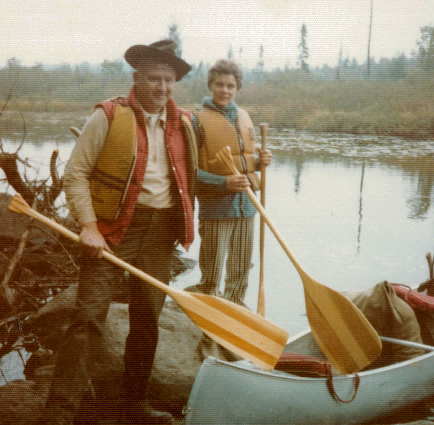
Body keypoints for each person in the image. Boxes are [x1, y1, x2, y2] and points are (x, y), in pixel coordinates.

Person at [40, 40, 195, 425]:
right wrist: (89, 227)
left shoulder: (186, 125)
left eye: (169, 80)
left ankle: (132, 407)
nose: (162, 87)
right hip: (111, 231)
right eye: (154, 79)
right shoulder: (108, 116)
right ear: (137, 78)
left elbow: (198, 179)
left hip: (160, 236)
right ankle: (59, 413)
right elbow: (76, 175)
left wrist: (244, 173)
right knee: (88, 319)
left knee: (147, 323)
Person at [186, 59, 272, 320]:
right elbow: (189, 173)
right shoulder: (196, 120)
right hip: (216, 207)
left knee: (241, 269)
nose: (225, 90)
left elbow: (243, 160)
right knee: (212, 271)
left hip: (247, 205)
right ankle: (206, 312)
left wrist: (261, 162)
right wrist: (223, 183)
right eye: (220, 85)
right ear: (210, 85)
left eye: (231, 86)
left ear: (237, 88)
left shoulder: (244, 117)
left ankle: (235, 310)